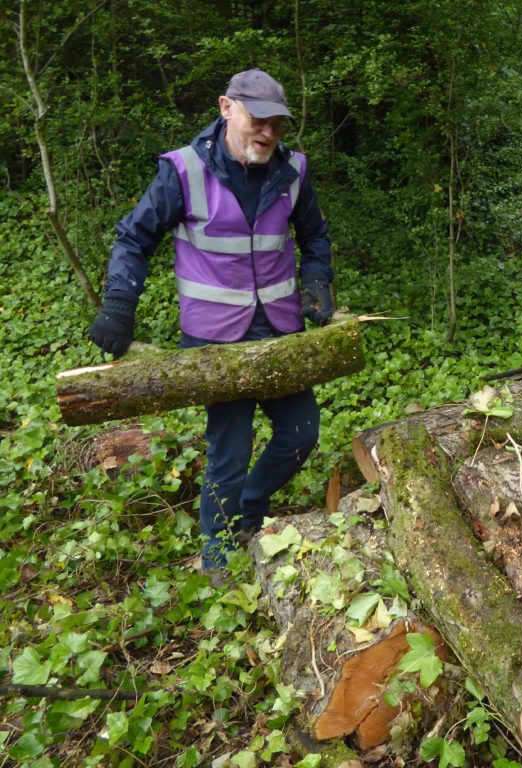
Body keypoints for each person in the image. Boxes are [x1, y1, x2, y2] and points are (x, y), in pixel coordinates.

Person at [88, 69, 336, 574]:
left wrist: (316, 282)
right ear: (227, 108)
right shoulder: (182, 171)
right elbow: (134, 239)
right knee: (230, 450)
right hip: (213, 340)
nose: (268, 133)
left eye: (278, 125)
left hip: (279, 331)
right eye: (258, 120)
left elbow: (315, 237)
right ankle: (217, 559)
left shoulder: (293, 171)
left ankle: (248, 506)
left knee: (301, 432)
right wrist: (119, 306)